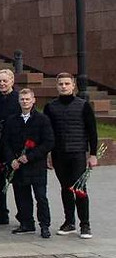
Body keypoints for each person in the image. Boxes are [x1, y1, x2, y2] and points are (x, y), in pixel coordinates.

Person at [43, 72, 99, 239]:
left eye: (67, 84)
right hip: (59, 153)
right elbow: (48, 133)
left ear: (73, 85)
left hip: (77, 153)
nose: (64, 86)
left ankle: (85, 224)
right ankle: (69, 222)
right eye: (61, 84)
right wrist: (48, 154)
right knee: (65, 188)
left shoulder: (83, 105)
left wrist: (93, 154)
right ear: (57, 86)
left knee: (79, 188)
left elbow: (92, 131)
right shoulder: (50, 107)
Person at [3, 89, 55, 238]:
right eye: (22, 99)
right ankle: (26, 223)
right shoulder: (12, 120)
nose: (24, 102)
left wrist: (30, 156)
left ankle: (44, 225)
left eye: (27, 99)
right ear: (18, 101)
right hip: (18, 166)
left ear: (33, 100)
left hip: (36, 165)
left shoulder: (42, 119)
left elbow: (48, 142)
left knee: (40, 197)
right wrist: (11, 159)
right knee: (21, 196)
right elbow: (6, 142)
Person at [0, 69, 20, 226]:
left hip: (14, 147)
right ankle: (1, 213)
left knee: (19, 183)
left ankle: (23, 216)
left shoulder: (19, 99)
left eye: (5, 81)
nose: (2, 84)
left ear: (12, 81)